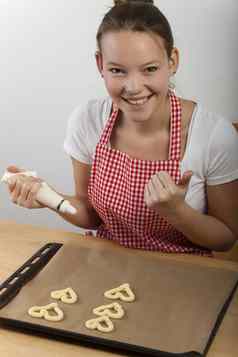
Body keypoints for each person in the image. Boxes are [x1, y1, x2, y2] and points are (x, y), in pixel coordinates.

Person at [6, 0, 238, 256]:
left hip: (185, 272)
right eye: (117, 70)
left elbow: (225, 239)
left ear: (172, 61)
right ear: (100, 65)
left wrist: (177, 211)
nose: (134, 87)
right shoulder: (87, 120)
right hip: (107, 263)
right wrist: (46, 196)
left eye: (149, 69)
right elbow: (91, 215)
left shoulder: (214, 135)